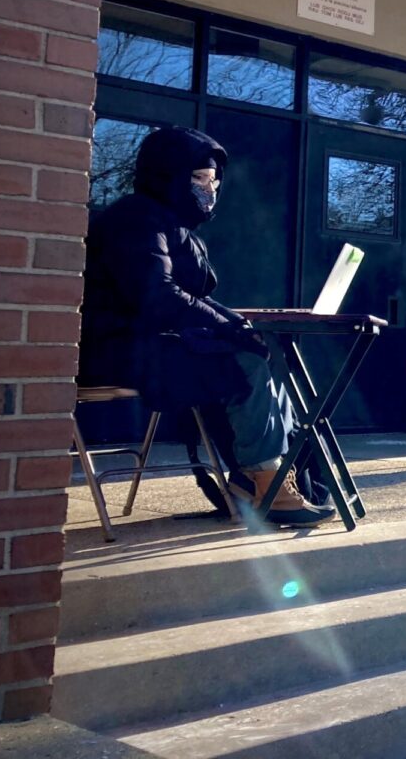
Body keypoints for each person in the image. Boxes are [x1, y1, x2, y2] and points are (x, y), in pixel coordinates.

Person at [78, 127, 333, 526]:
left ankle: (280, 474)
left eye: (213, 180)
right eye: (198, 178)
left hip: (150, 346)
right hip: (116, 350)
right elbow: (156, 296)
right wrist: (230, 330)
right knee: (243, 363)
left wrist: (239, 325)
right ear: (169, 176)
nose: (209, 188)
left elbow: (195, 299)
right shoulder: (136, 219)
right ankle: (264, 479)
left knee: (263, 352)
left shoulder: (175, 226)